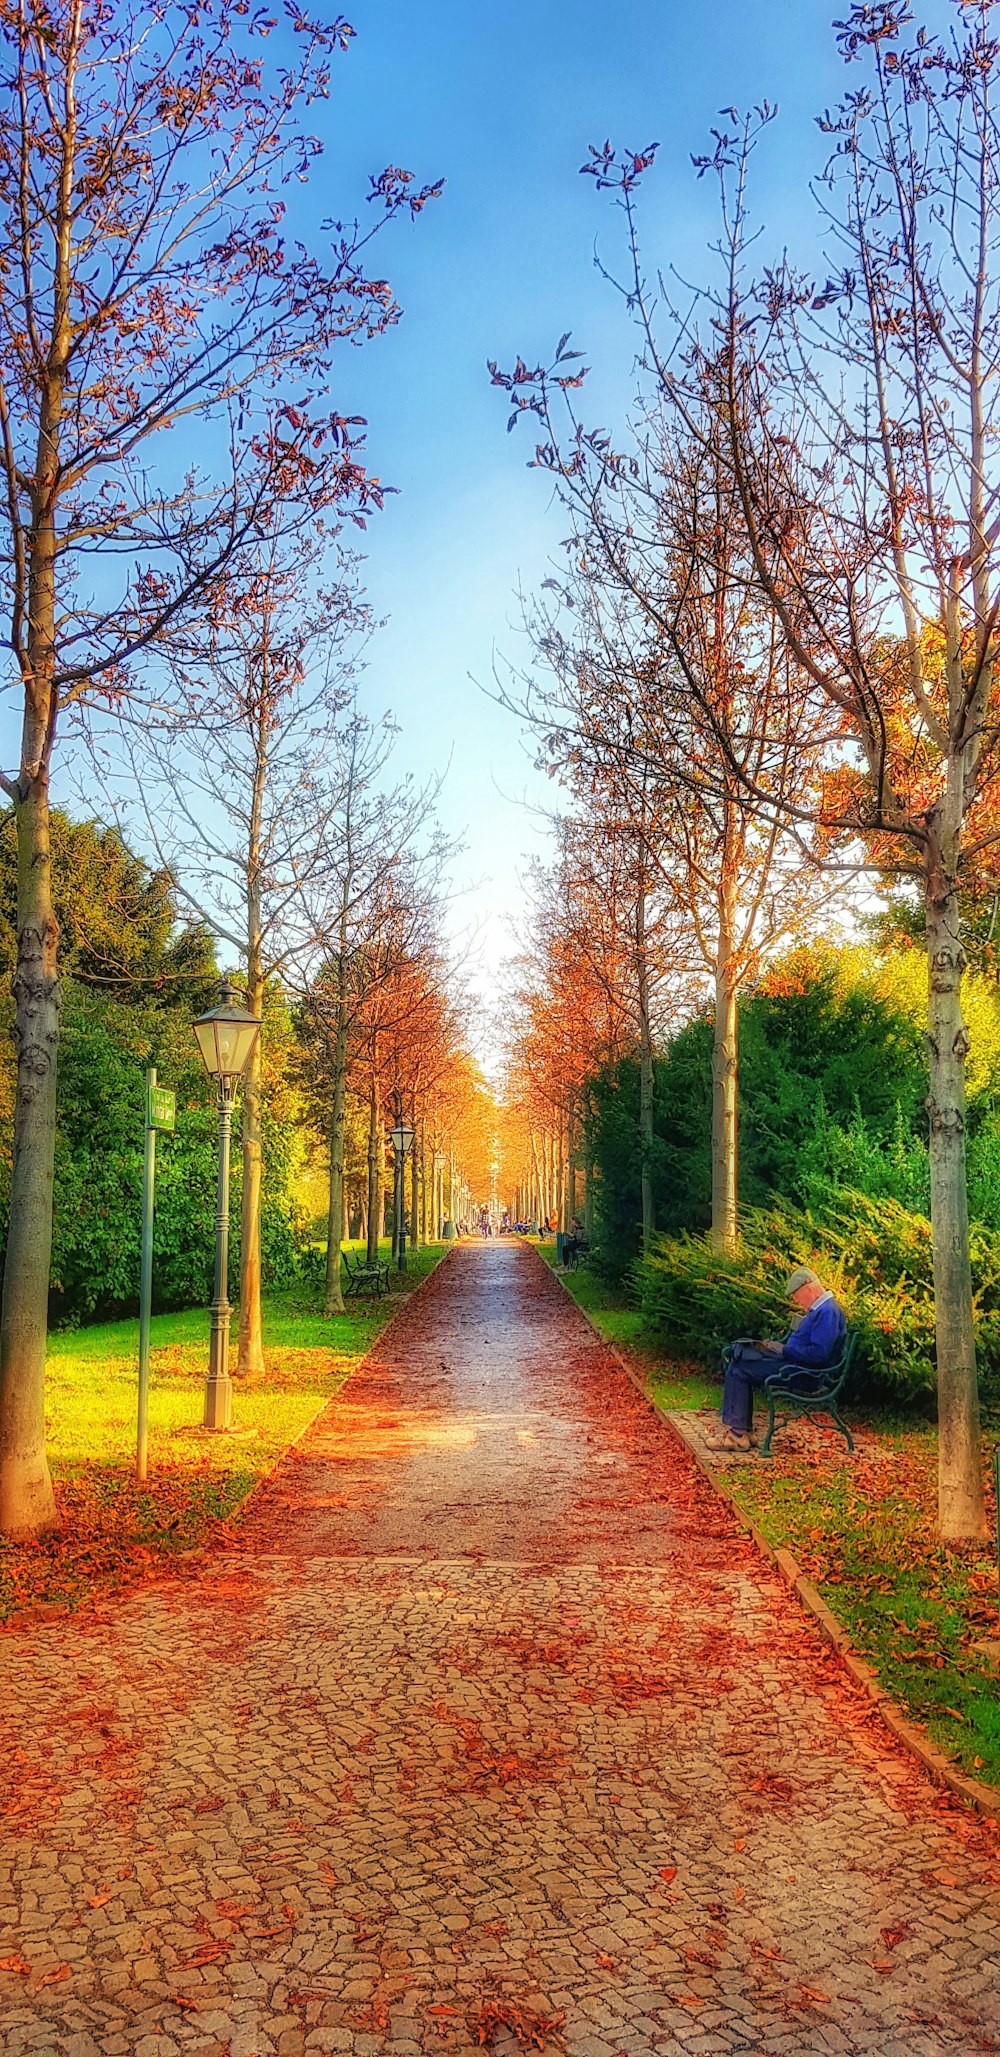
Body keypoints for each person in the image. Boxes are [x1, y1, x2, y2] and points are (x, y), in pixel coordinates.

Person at [705, 1266, 846, 1454]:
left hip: (805, 1375)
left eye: (796, 1295)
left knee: (739, 1368)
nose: (795, 1300)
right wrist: (775, 1348)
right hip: (795, 1366)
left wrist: (785, 1349)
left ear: (809, 1288)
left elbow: (817, 1355)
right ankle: (743, 1431)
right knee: (740, 1358)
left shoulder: (828, 1312)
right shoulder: (822, 1309)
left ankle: (738, 1436)